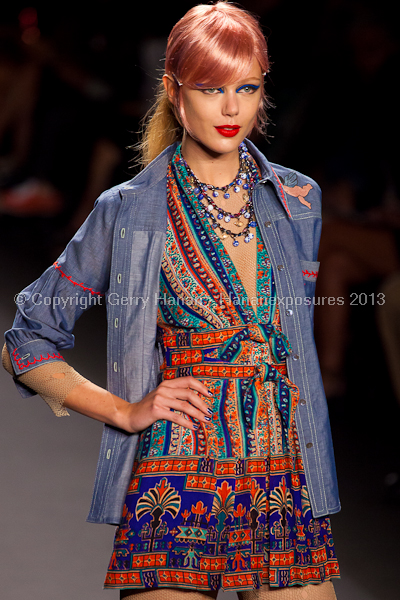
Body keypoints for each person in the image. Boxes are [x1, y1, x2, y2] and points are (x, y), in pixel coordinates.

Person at [2, 2, 340, 598]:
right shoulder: (128, 210)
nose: (232, 108)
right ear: (174, 93)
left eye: (248, 87)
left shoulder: (298, 201)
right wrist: (124, 410)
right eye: (211, 89)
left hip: (285, 469)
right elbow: (26, 336)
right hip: (177, 470)